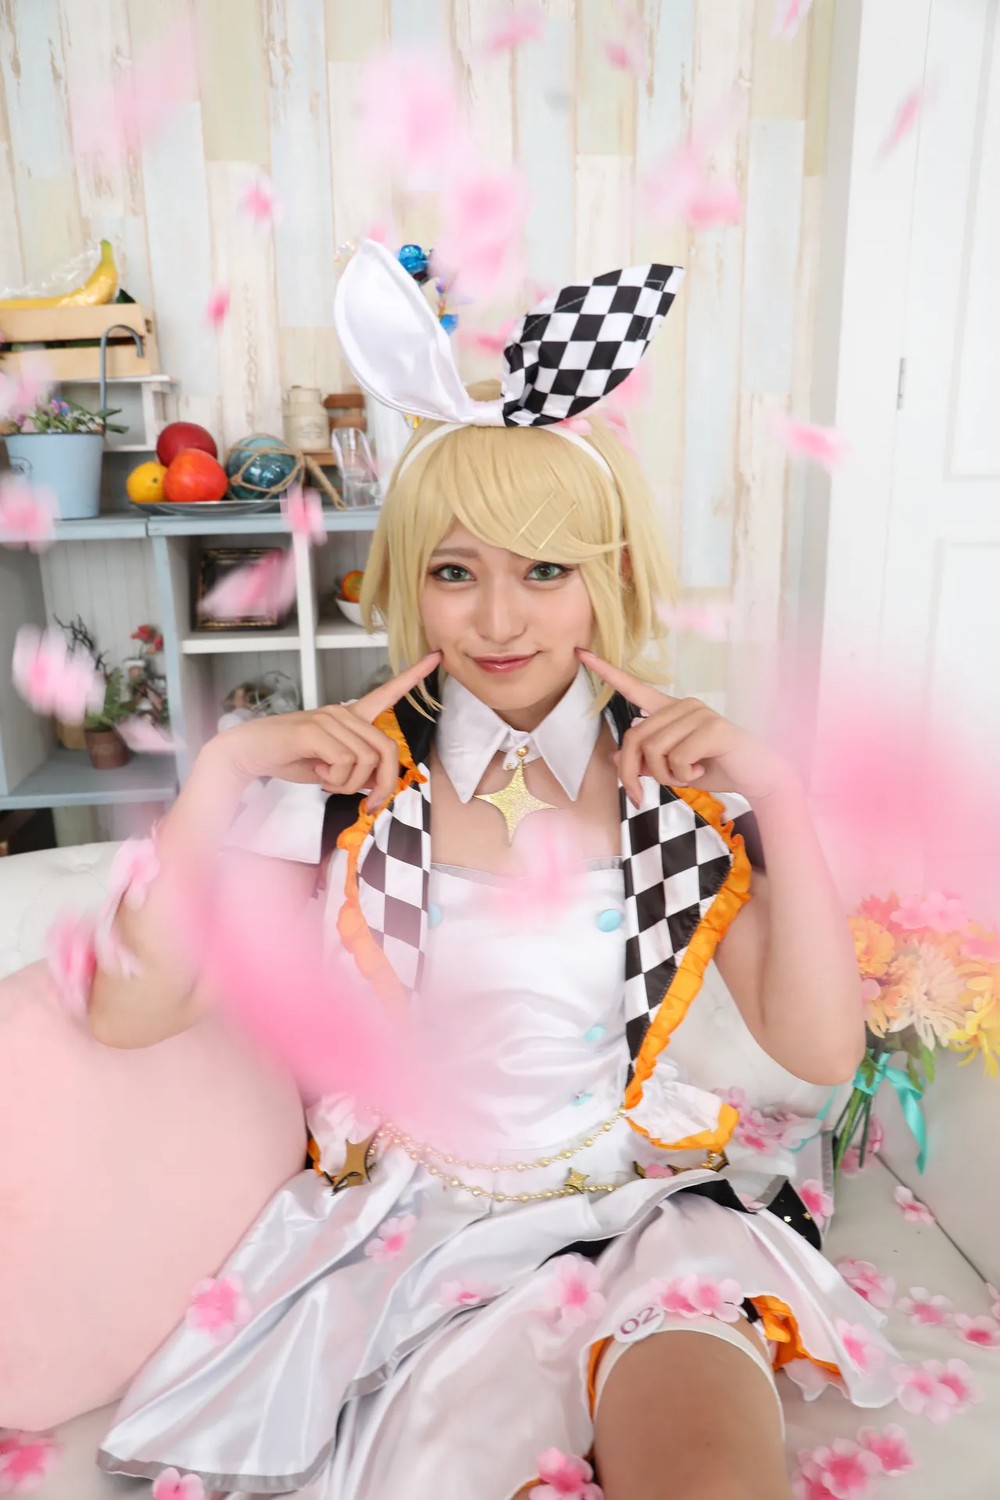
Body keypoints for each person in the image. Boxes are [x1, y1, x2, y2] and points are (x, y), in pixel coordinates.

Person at [88, 245, 900, 1500]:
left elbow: (822, 1049)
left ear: (609, 580)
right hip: (419, 1246)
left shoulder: (671, 793)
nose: (500, 620)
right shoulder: (342, 789)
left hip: (637, 1220)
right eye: (455, 573)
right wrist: (224, 772)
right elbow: (129, 1013)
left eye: (544, 571)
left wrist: (777, 797)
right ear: (405, 584)